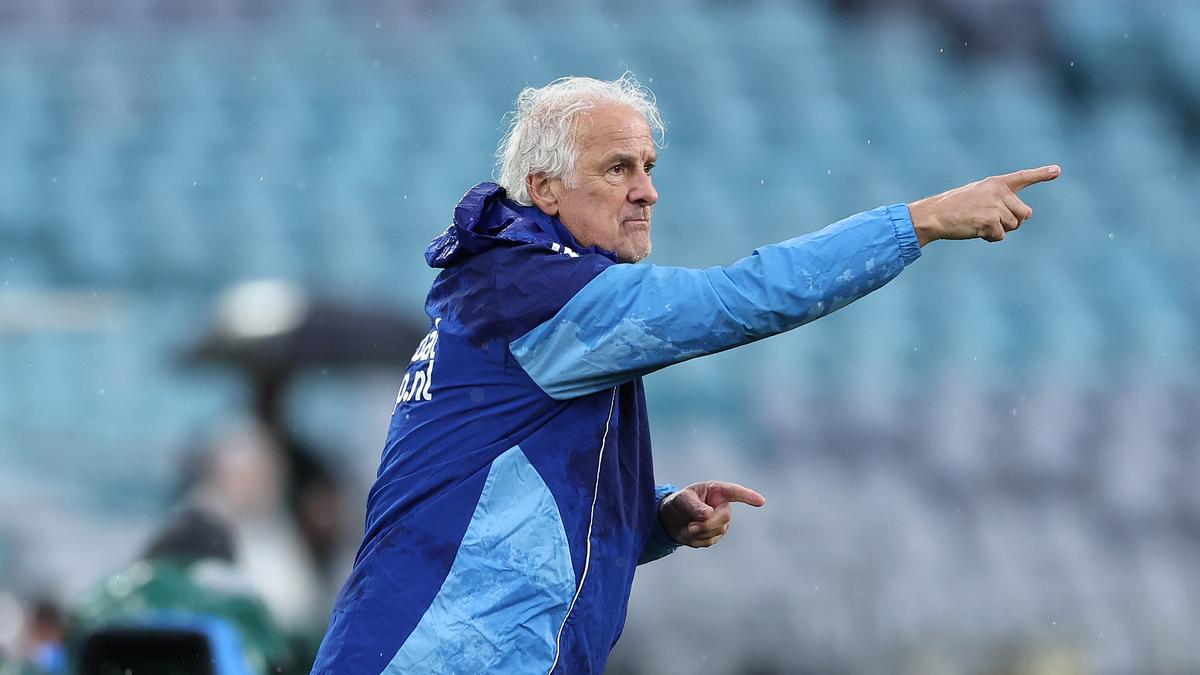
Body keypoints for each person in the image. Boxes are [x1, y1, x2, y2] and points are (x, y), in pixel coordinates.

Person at [311, 74, 1059, 673]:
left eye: (648, 167)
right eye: (618, 169)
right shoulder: (540, 293)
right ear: (545, 189)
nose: (647, 190)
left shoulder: (516, 289)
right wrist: (920, 220)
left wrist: (656, 514)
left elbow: (504, 507)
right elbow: (743, 299)